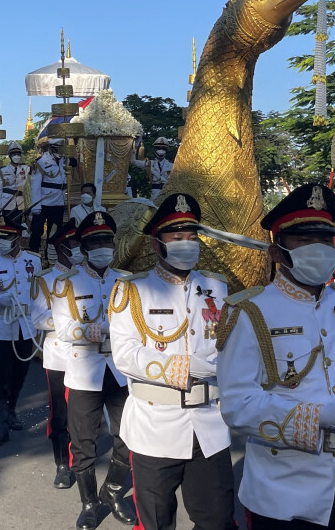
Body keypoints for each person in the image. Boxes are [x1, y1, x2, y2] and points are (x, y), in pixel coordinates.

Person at [217, 183, 335, 530]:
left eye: (326, 240)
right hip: (286, 492)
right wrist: (320, 416)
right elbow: (238, 405)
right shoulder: (250, 312)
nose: (320, 249)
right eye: (304, 240)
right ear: (277, 252)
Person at [109, 193, 236, 530]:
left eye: (192, 238)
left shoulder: (216, 287)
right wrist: (187, 367)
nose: (186, 244)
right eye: (176, 238)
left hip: (209, 425)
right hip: (156, 425)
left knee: (218, 520)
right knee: (156, 521)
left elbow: (232, 342)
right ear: (156, 244)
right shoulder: (133, 290)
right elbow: (125, 354)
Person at [35, 212, 137, 529]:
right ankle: (90, 504)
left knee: (128, 437)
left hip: (120, 370)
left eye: (107, 240)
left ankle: (114, 492)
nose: (102, 247)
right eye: (95, 242)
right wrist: (95, 331)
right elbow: (63, 327)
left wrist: (107, 330)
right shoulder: (67, 283)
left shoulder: (127, 281)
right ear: (85, 247)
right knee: (83, 441)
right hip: (84, 369)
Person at [0, 218, 39, 441]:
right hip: (0, 327)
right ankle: (0, 424)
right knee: (2, 376)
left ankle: (11, 410)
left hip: (26, 327)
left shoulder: (34, 261)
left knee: (20, 375)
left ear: (18, 238)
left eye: (7, 238)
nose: (2, 242)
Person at [31, 220, 78, 486]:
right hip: (59, 354)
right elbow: (39, 318)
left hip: (90, 356)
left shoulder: (88, 277)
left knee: (84, 413)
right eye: (74, 244)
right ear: (61, 248)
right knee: (61, 411)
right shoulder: (45, 280)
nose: (79, 248)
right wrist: (76, 326)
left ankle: (81, 459)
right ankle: (63, 463)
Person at [29, 138, 79, 253]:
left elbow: (75, 162)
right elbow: (35, 186)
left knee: (55, 230)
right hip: (43, 201)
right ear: (51, 148)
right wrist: (36, 206)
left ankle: (51, 255)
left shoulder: (64, 160)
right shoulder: (41, 162)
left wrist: (70, 150)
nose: (59, 151)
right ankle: (34, 253)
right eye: (57, 148)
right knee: (37, 230)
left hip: (59, 201)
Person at [0, 142, 30, 222]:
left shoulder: (25, 169)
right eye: (14, 154)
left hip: (20, 203)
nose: (16, 156)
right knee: (6, 228)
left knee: (18, 228)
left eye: (18, 154)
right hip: (6, 203)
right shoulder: (3, 170)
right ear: (10, 156)